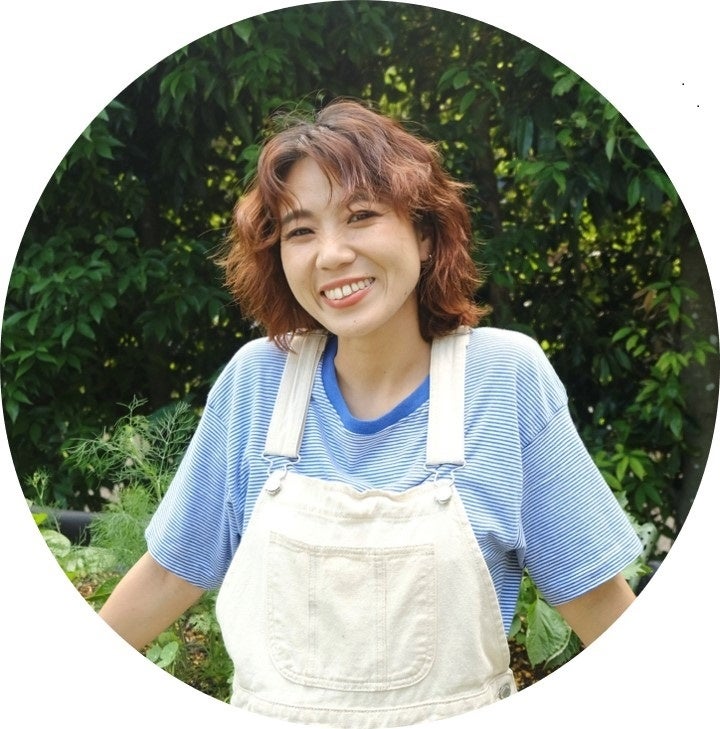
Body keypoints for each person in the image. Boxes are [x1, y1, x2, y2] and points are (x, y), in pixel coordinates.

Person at [99, 98, 642, 727]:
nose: (331, 254)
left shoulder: (503, 379)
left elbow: (596, 601)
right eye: (300, 231)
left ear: (425, 234)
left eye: (361, 216)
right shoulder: (256, 381)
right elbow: (169, 577)